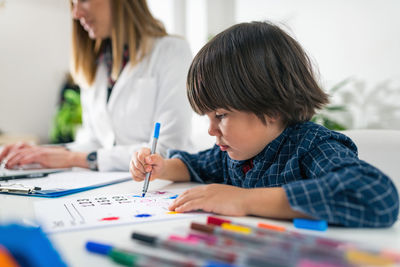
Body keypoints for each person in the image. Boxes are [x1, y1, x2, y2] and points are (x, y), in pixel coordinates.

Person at [130, 21, 399, 227]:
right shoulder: (235, 153)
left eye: (221, 115)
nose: (211, 130)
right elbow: (196, 165)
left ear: (270, 108)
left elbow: (377, 195)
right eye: (208, 117)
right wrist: (161, 166)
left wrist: (243, 200)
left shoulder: (311, 146)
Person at [0, 0, 193, 171]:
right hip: (110, 186)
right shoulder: (98, 64)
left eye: (83, 1)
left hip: (163, 189)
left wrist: (73, 158)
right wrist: (43, 152)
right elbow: (95, 141)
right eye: (73, 4)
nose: (75, 14)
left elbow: (166, 150)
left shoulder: (171, 51)